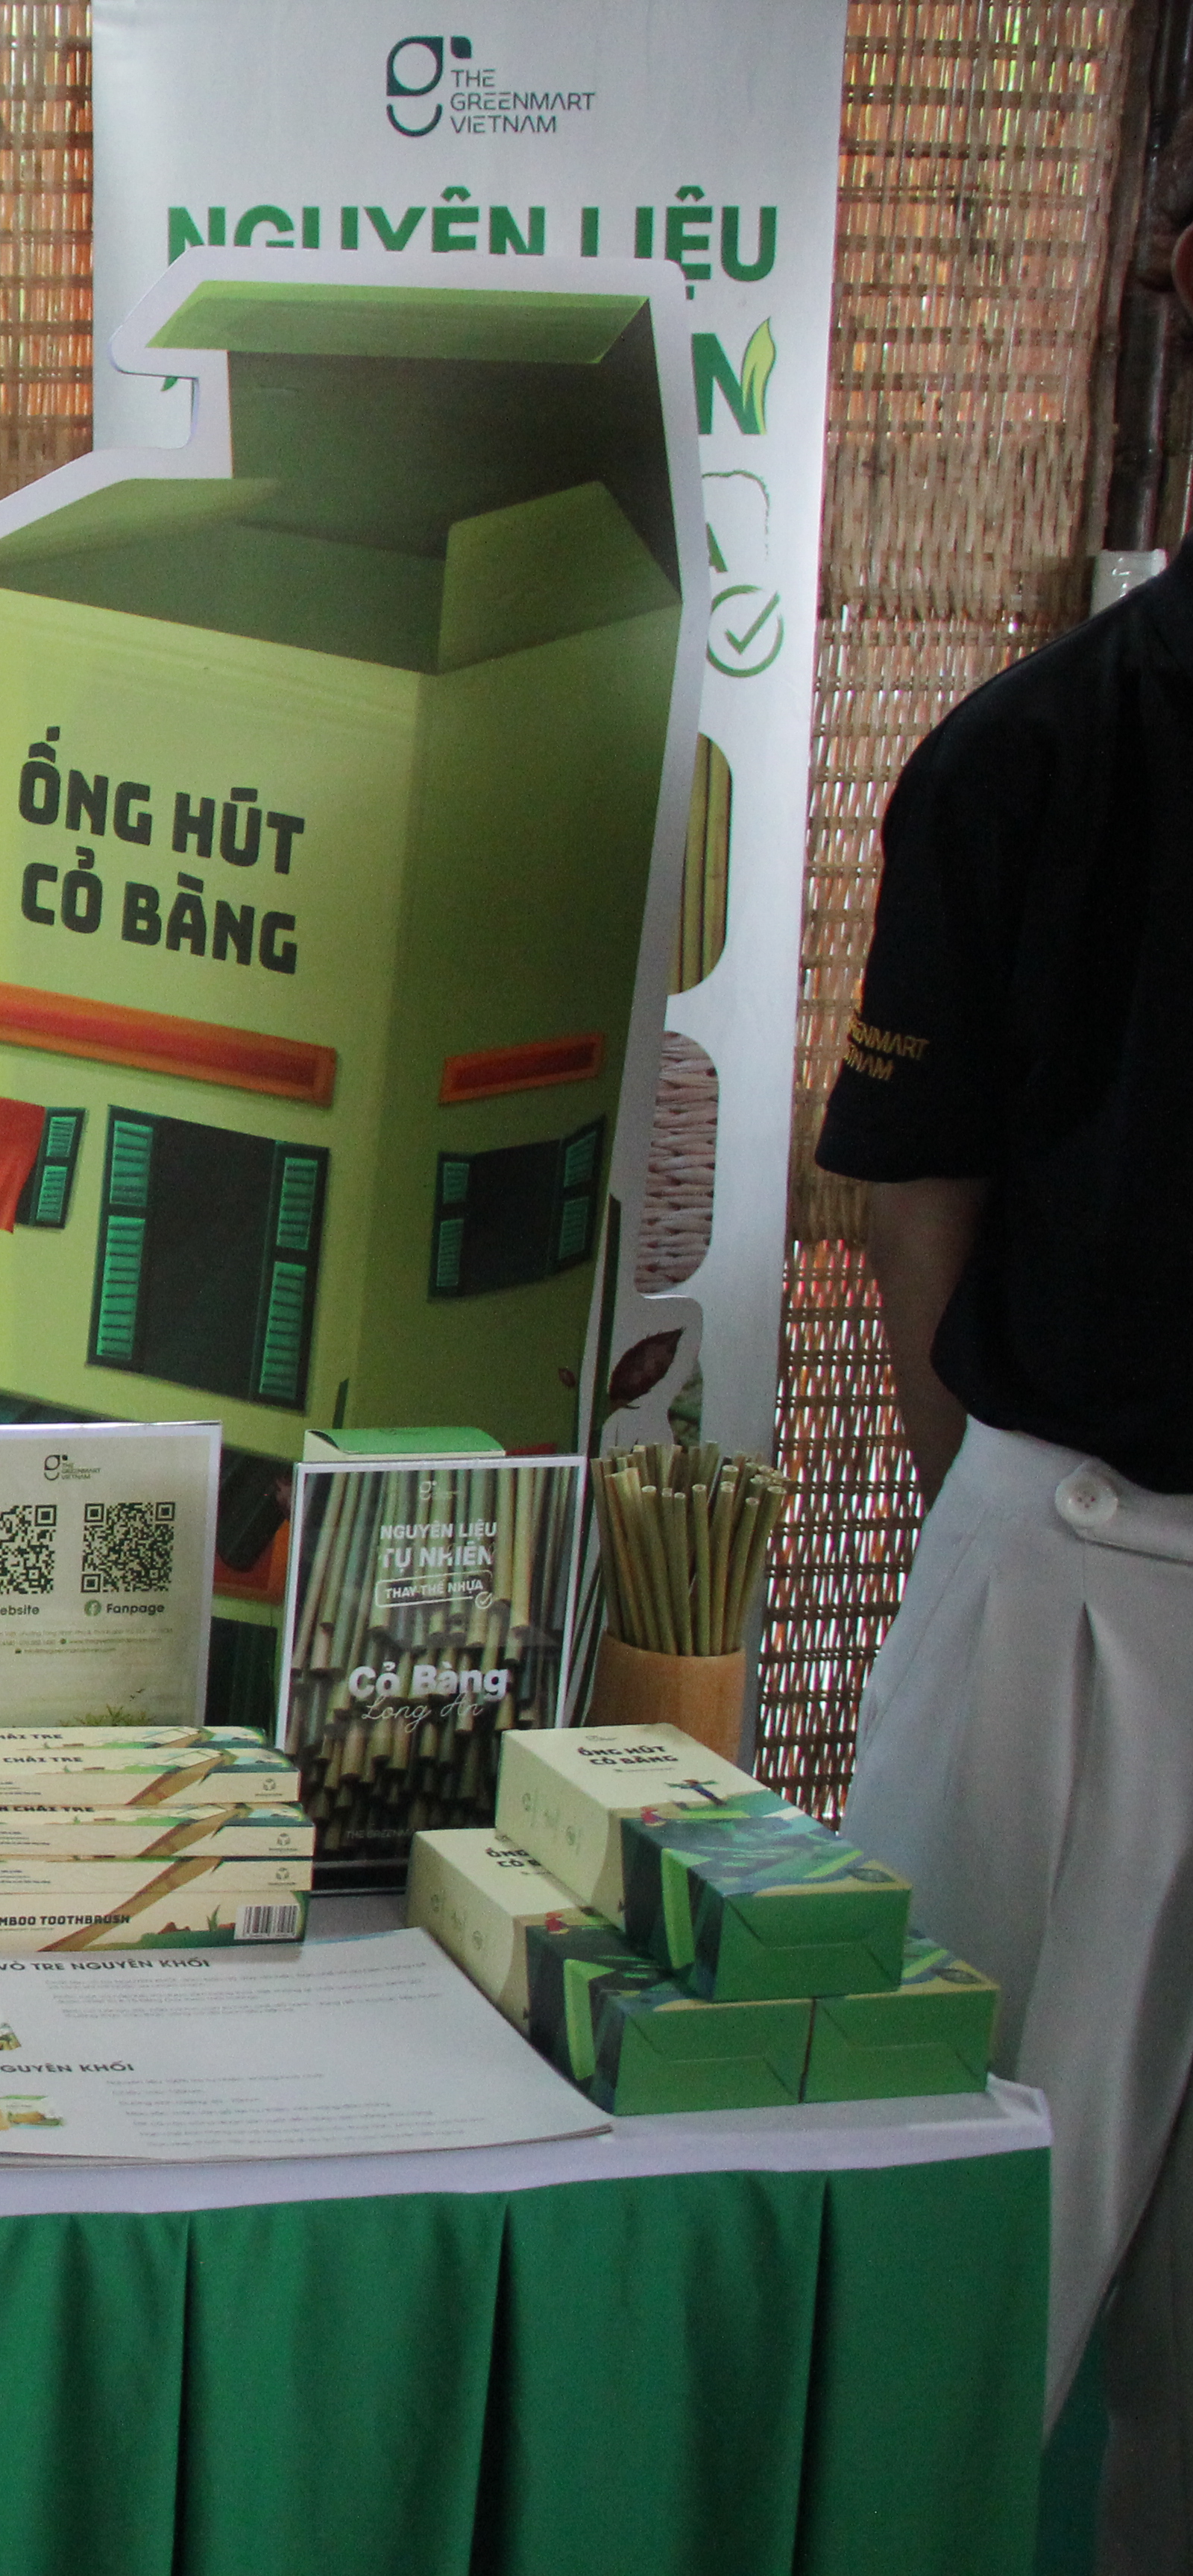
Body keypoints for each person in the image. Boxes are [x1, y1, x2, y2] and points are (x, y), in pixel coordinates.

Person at [819, 179, 1193, 2572]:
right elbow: (911, 1193)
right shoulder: (1033, 755)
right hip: (1077, 1555)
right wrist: (1006, 1493)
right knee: (952, 2228)